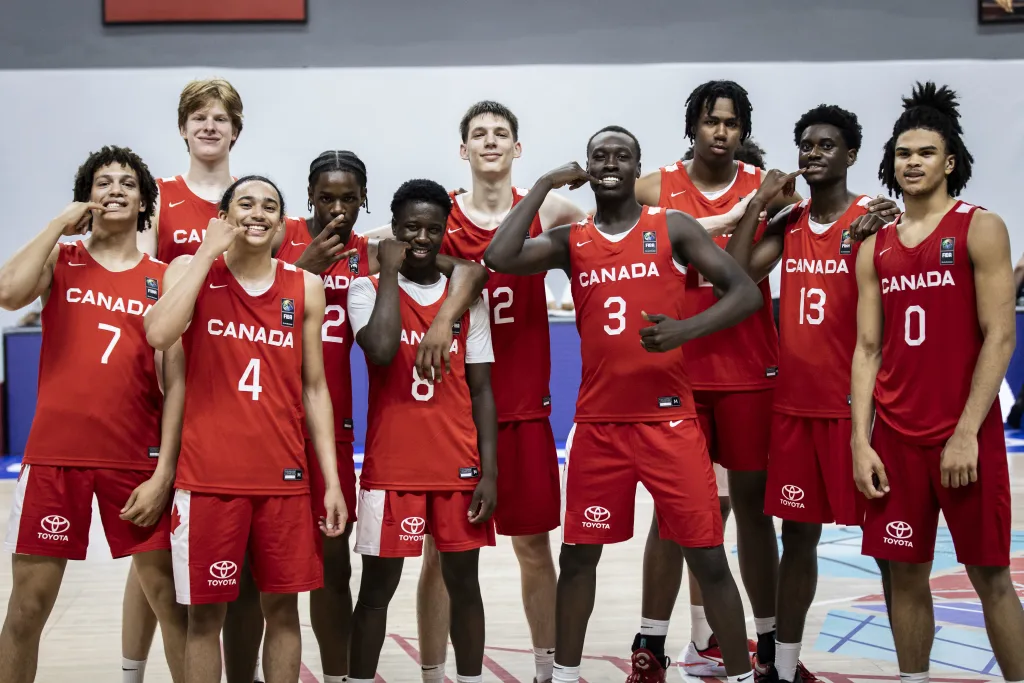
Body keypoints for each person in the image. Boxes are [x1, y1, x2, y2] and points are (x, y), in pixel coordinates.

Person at [485, 126, 762, 683]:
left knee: (707, 556)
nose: (611, 163)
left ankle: (737, 675)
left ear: (639, 167)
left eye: (623, 155)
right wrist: (540, 185)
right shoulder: (573, 240)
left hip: (669, 421)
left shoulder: (672, 227)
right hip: (599, 426)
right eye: (600, 156)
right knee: (579, 558)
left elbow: (746, 292)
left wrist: (685, 329)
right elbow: (500, 255)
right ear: (587, 167)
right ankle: (563, 675)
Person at [270, 152, 488, 683]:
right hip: (269, 421)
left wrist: (441, 323)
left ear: (364, 198)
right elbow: (248, 297)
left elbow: (466, 271)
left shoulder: (370, 257)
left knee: (337, 569)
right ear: (309, 195)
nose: (338, 209)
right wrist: (301, 272)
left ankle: (340, 673)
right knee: (266, 578)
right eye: (327, 197)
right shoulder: (281, 235)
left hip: (336, 430)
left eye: (349, 198)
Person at [852, 82, 1024, 683]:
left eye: (925, 152)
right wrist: (860, 440)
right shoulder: (874, 248)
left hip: (964, 437)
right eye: (903, 154)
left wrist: (966, 432)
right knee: (904, 574)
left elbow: (1000, 337)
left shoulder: (981, 229)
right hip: (895, 440)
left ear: (949, 161)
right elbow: (868, 348)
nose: (913, 162)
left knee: (990, 578)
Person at [144, 175, 347, 683]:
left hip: (282, 480)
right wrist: (207, 251)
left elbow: (315, 389)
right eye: (246, 204)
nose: (258, 213)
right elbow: (159, 332)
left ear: (282, 223)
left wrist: (333, 483)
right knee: (204, 619)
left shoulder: (306, 287)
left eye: (270, 207)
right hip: (208, 479)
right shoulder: (189, 272)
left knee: (282, 612)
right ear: (225, 215)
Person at [412, 101, 588, 683]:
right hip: (452, 415)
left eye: (501, 133)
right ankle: (434, 673)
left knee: (534, 547)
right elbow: (379, 244)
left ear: (518, 148)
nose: (491, 141)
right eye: (479, 134)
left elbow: (621, 232)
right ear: (463, 150)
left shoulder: (554, 210)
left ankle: (547, 671)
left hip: (525, 410)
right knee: (441, 556)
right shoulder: (439, 216)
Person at [724, 105, 899, 683]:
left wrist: (892, 217)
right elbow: (737, 271)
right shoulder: (790, 222)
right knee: (796, 538)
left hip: (861, 412)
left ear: (850, 155)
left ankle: (911, 669)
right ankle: (783, 666)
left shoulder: (873, 221)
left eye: (826, 145)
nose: (813, 153)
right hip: (795, 407)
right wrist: (759, 204)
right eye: (805, 145)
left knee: (892, 548)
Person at [0, 146, 188, 683]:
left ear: (144, 201)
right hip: (56, 457)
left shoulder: (162, 277)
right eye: (102, 182)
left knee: (175, 611)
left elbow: (177, 384)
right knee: (26, 612)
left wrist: (163, 474)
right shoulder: (63, 260)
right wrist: (61, 222)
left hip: (136, 461)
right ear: (87, 197)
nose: (114, 190)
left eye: (127, 183)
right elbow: (8, 292)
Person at [631, 79, 793, 676]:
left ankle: (770, 644)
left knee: (753, 509)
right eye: (709, 121)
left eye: (730, 123)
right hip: (679, 372)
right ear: (691, 127)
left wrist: (755, 208)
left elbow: (743, 274)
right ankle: (651, 646)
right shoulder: (655, 188)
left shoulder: (771, 189)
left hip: (750, 369)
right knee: (675, 513)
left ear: (743, 130)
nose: (719, 132)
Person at [346, 179, 498, 683]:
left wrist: (490, 473)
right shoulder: (366, 289)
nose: (422, 237)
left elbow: (481, 392)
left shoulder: (465, 300)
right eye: (411, 227)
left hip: (457, 465)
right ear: (393, 229)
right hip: (393, 470)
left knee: (465, 586)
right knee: (375, 593)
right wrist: (388, 271)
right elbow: (383, 350)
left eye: (434, 228)